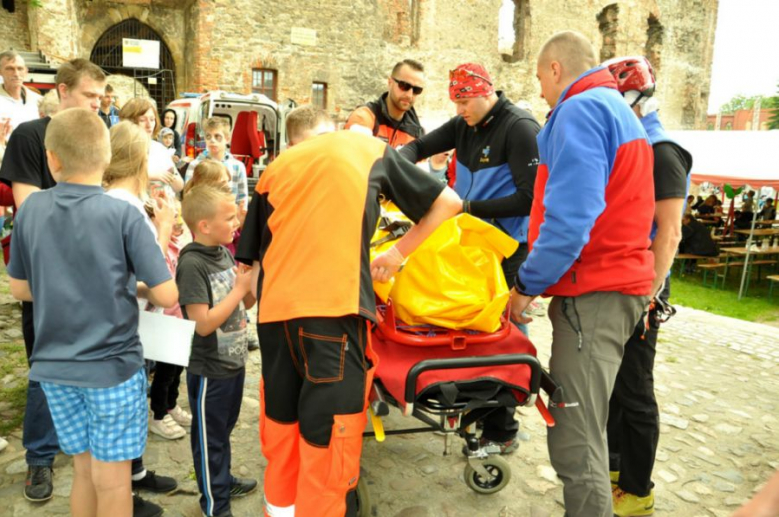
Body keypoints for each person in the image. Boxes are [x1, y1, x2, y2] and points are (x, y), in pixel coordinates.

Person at [235, 107, 462, 517]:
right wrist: (396, 254)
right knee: (329, 437)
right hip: (333, 314)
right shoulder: (363, 147)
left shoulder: (275, 169)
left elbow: (252, 272)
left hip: (275, 318)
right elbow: (449, 201)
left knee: (283, 428)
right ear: (338, 129)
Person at [0, 58, 176, 517]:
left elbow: (20, 288)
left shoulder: (32, 210)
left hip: (55, 368)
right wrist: (164, 230)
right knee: (113, 481)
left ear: (51, 159)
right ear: (106, 158)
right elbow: (166, 295)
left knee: (82, 471)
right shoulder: (120, 214)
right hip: (110, 368)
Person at [509, 32, 655, 517]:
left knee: (577, 436)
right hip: (610, 286)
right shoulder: (614, 109)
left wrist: (525, 286)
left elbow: (569, 221)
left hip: (596, 289)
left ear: (555, 68)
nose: (542, 94)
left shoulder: (580, 110)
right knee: (585, 426)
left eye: (540, 81)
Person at [400, 62, 540, 453]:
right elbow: (419, 147)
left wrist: (465, 207)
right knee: (471, 325)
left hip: (508, 246)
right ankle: (473, 406)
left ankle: (504, 425)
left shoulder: (520, 127)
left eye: (465, 101)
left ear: (485, 92)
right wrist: (392, 163)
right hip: (474, 243)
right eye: (455, 101)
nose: (459, 109)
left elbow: (530, 199)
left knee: (503, 329)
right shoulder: (463, 123)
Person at [603, 55, 692, 517]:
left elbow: (670, 233)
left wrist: (647, 296)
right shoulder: (638, 146)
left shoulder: (662, 151)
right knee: (618, 385)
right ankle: (617, 467)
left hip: (646, 290)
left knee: (635, 391)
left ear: (632, 99)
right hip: (628, 284)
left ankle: (638, 490)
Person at [102, 121, 190, 441]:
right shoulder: (128, 205)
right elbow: (152, 271)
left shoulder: (109, 197)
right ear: (140, 160)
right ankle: (131, 470)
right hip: (131, 321)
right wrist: (164, 227)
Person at [177, 184, 258, 517]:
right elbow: (204, 324)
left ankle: (221, 481)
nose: (236, 221)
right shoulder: (192, 265)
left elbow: (245, 303)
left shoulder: (224, 252)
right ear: (204, 226)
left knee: (221, 434)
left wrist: (251, 283)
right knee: (209, 441)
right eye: (229, 217)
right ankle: (216, 505)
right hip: (209, 371)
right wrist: (239, 289)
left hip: (233, 365)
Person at [345, 59, 425, 148]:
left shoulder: (417, 133)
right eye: (404, 86)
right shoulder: (364, 118)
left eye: (417, 90)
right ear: (390, 82)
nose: (409, 95)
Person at [119, 98, 183, 195]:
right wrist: (147, 176)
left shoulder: (159, 148)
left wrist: (172, 176)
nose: (149, 125)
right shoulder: (120, 149)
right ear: (128, 122)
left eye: (152, 119)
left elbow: (179, 186)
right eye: (142, 120)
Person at [186, 117, 248, 212]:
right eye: (208, 136)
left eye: (217, 136)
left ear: (227, 139)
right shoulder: (195, 165)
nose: (212, 140)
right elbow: (189, 196)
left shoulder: (238, 166)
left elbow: (242, 199)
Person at [0, 50, 42, 133]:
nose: (16, 74)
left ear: (26, 71)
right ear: (0, 72)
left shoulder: (39, 101)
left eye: (20, 68)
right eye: (10, 69)